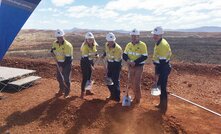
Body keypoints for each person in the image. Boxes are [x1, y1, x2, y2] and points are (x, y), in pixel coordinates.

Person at [123, 29, 148, 104]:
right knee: (131, 82)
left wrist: (135, 62)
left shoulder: (142, 45)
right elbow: (124, 54)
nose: (133, 37)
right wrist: (128, 61)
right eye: (132, 36)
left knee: (136, 83)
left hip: (138, 67)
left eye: (135, 36)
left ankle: (138, 98)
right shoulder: (129, 45)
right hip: (130, 66)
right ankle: (134, 96)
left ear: (138, 36)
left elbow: (144, 56)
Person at [151, 26, 172, 114]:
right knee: (160, 85)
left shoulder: (162, 45)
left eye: (156, 35)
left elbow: (162, 62)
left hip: (163, 68)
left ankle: (164, 107)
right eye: (154, 34)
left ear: (161, 35)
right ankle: (161, 104)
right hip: (161, 67)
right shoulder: (158, 42)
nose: (154, 36)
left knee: (162, 87)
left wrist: (157, 74)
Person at [51, 29, 73, 99]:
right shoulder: (55, 43)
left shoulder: (67, 45)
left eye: (60, 37)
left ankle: (67, 93)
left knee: (66, 78)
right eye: (58, 37)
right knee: (59, 77)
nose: (59, 38)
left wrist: (62, 67)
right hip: (59, 62)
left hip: (67, 63)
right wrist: (52, 52)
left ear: (63, 36)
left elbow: (68, 59)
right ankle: (61, 89)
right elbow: (52, 50)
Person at [102, 32, 122, 102]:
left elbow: (116, 61)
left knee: (115, 81)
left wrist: (108, 69)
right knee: (108, 80)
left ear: (114, 40)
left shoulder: (118, 48)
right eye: (109, 41)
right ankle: (112, 94)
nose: (110, 43)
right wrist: (104, 55)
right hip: (110, 64)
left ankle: (117, 98)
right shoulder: (106, 45)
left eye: (112, 41)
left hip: (116, 65)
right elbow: (106, 51)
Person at [80, 32, 99, 98]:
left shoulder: (94, 45)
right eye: (88, 39)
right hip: (84, 63)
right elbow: (85, 58)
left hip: (90, 61)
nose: (90, 40)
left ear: (93, 39)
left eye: (91, 39)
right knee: (85, 77)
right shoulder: (85, 47)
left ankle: (88, 90)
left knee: (89, 77)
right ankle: (82, 92)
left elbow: (95, 52)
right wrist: (91, 66)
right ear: (86, 39)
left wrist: (96, 55)